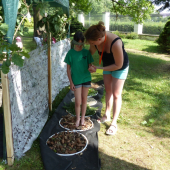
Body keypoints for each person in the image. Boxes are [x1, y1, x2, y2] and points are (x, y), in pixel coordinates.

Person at [84, 21, 129, 135]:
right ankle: (107, 114)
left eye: (92, 42)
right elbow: (90, 53)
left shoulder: (115, 43)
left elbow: (118, 65)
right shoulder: (95, 40)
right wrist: (85, 62)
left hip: (120, 67)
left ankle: (114, 123)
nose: (91, 44)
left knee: (116, 94)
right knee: (108, 90)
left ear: (99, 40)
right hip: (107, 65)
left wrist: (98, 69)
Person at [64, 31, 94, 127]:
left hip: (86, 78)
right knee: (78, 101)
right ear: (74, 43)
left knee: (84, 99)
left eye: (81, 44)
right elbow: (68, 69)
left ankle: (82, 118)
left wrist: (91, 68)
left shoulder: (86, 52)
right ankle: (77, 118)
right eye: (78, 44)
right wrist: (71, 82)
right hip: (76, 80)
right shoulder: (70, 53)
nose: (79, 46)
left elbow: (90, 65)